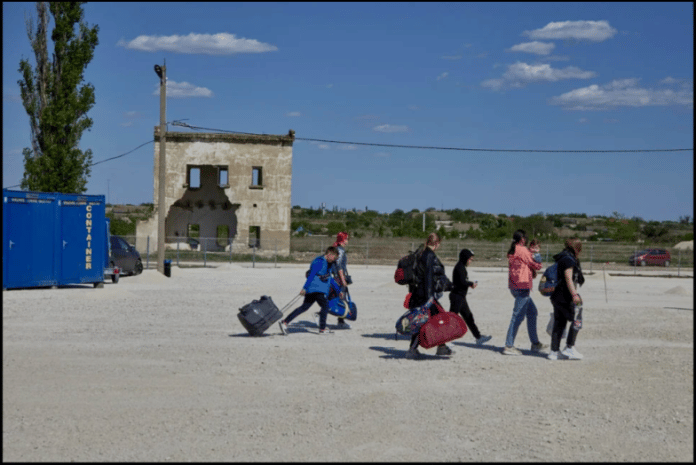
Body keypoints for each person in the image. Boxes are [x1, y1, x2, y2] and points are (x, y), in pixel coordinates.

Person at [405, 232, 453, 359]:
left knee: (436, 318)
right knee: (422, 321)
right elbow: (428, 278)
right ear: (437, 243)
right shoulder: (429, 255)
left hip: (419, 293)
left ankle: (441, 347)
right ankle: (412, 350)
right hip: (425, 296)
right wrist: (430, 298)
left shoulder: (421, 253)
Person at [279, 246, 342, 335]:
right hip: (316, 288)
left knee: (304, 307)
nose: (334, 259)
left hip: (318, 289)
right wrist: (304, 288)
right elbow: (311, 275)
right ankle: (322, 329)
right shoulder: (319, 261)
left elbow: (330, 279)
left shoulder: (329, 264)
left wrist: (338, 290)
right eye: (334, 257)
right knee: (325, 305)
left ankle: (284, 322)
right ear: (329, 254)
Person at [503, 229, 547, 355]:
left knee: (532, 312)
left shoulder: (513, 250)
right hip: (522, 286)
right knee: (517, 316)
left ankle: (535, 343)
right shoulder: (522, 250)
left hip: (514, 286)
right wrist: (537, 255)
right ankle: (509, 346)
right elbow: (536, 265)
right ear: (522, 239)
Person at [548, 238, 586, 360]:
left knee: (559, 322)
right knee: (577, 319)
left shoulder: (561, 257)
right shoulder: (569, 260)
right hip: (566, 296)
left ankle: (554, 351)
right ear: (577, 248)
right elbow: (568, 278)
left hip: (556, 295)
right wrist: (575, 295)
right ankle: (569, 347)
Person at [449, 249, 492, 345]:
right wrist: (471, 283)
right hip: (457, 297)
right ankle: (444, 340)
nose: (471, 261)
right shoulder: (459, 267)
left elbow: (463, 282)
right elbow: (462, 282)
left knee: (469, 317)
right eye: (470, 259)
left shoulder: (462, 267)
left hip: (461, 297)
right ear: (465, 258)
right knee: (452, 319)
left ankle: (478, 337)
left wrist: (470, 284)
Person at [327, 232, 352, 329]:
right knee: (341, 299)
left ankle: (340, 320)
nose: (347, 241)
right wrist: (343, 280)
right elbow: (339, 266)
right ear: (342, 239)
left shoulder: (337, 249)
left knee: (337, 298)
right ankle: (340, 321)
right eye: (346, 239)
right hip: (338, 278)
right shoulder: (340, 251)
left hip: (336, 277)